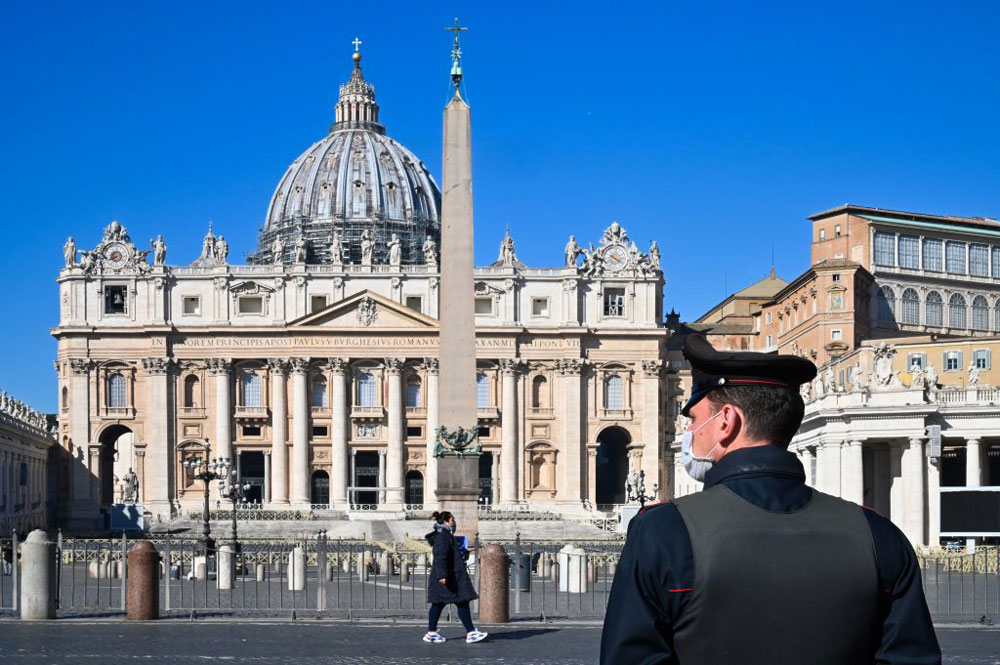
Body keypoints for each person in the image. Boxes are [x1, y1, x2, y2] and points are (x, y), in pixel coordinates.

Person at [600, 333, 940, 665]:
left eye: (694, 420)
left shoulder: (662, 533)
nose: (689, 432)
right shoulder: (880, 536)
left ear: (727, 422)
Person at [423, 511, 487, 644]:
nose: (454, 522)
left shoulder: (445, 536)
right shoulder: (442, 537)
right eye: (452, 520)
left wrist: (463, 553)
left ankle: (431, 633)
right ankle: (471, 632)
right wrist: (442, 575)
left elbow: (449, 554)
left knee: (439, 604)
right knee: (461, 602)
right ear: (445, 522)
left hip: (449, 576)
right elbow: (441, 556)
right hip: (449, 577)